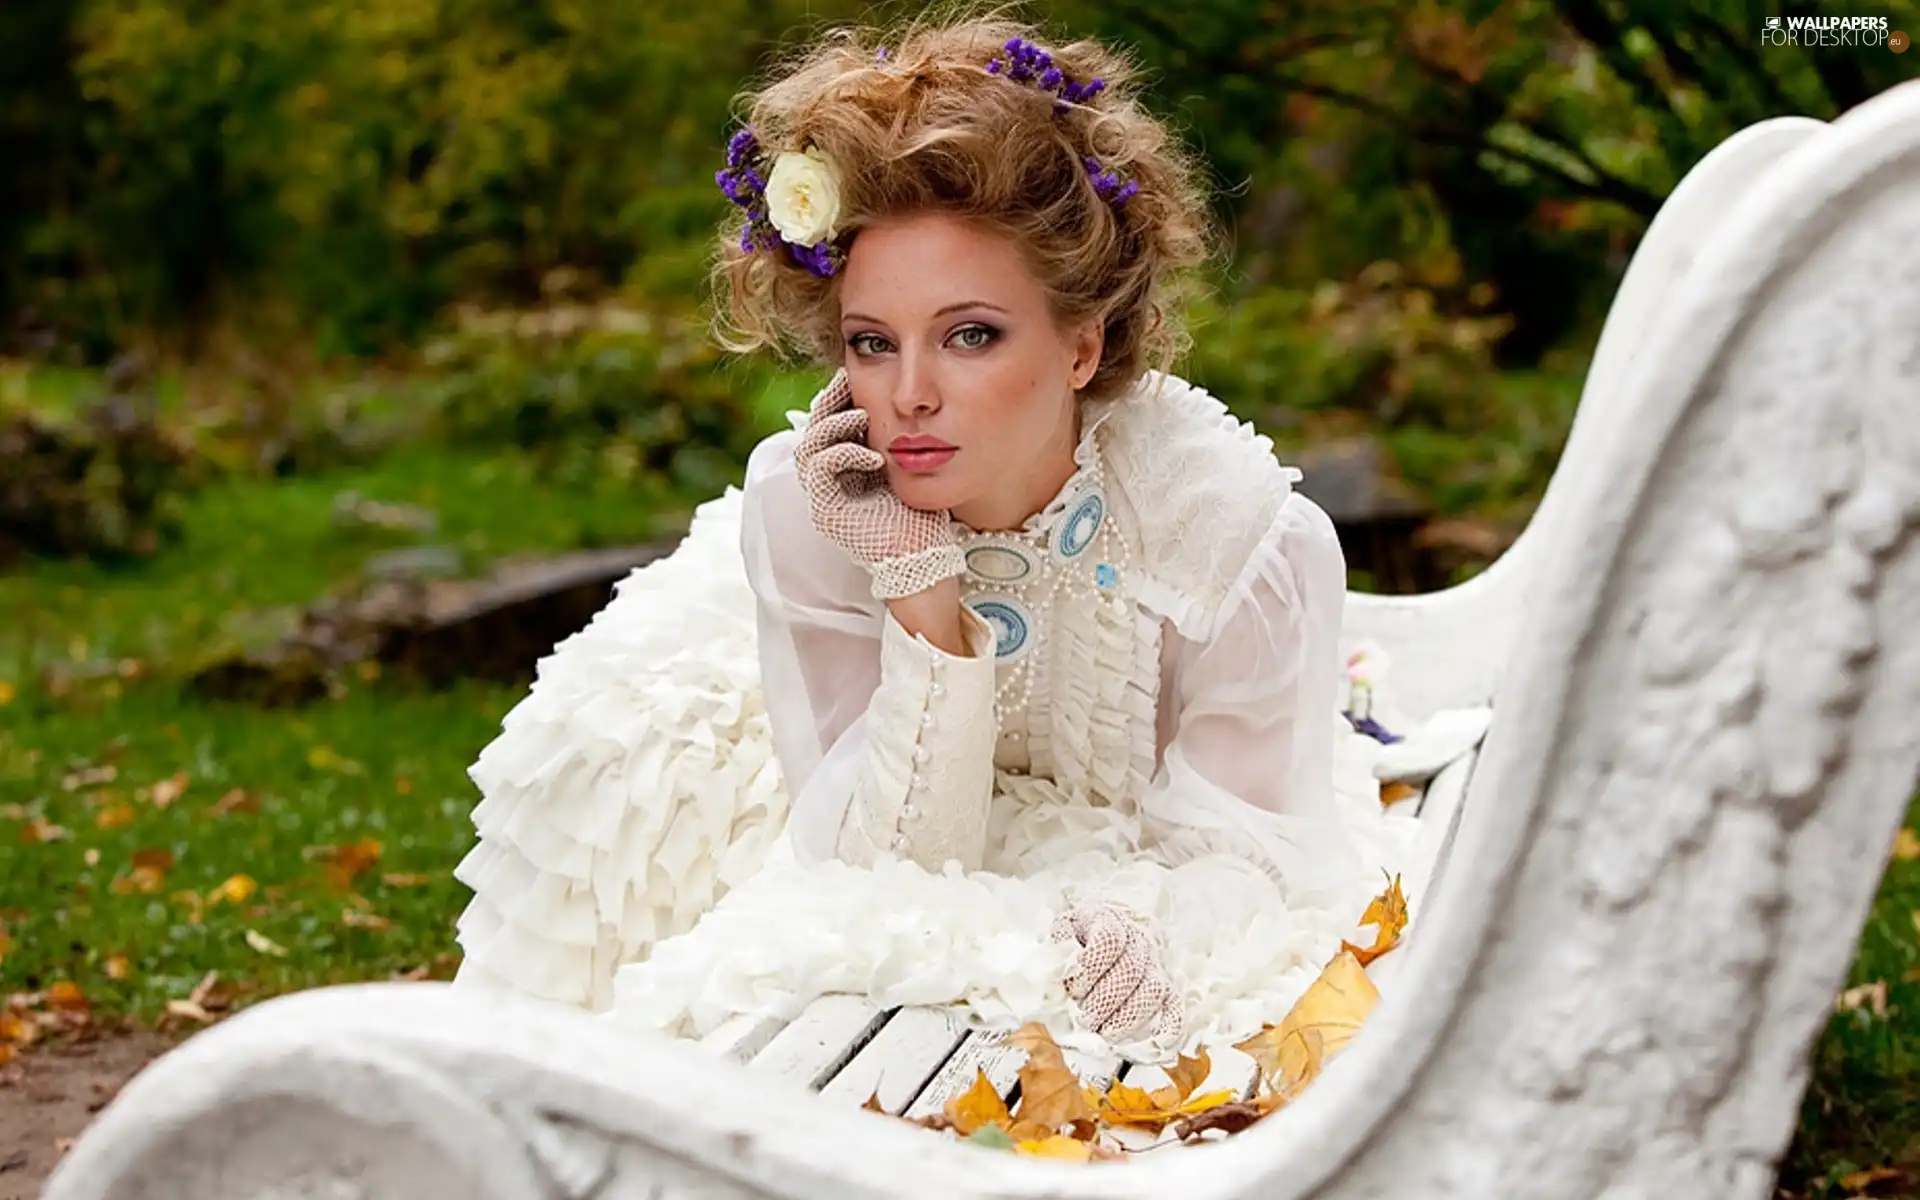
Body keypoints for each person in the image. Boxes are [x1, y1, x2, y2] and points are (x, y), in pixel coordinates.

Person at [449, 13, 1420, 1060]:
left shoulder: (1231, 537)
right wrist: (918, 593)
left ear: (1084, 344)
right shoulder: (812, 507)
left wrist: (1143, 931)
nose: (907, 396)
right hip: (799, 694)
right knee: (632, 789)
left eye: (971, 336)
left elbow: (1251, 866)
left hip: (1134, 804)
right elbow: (877, 873)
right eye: (872, 344)